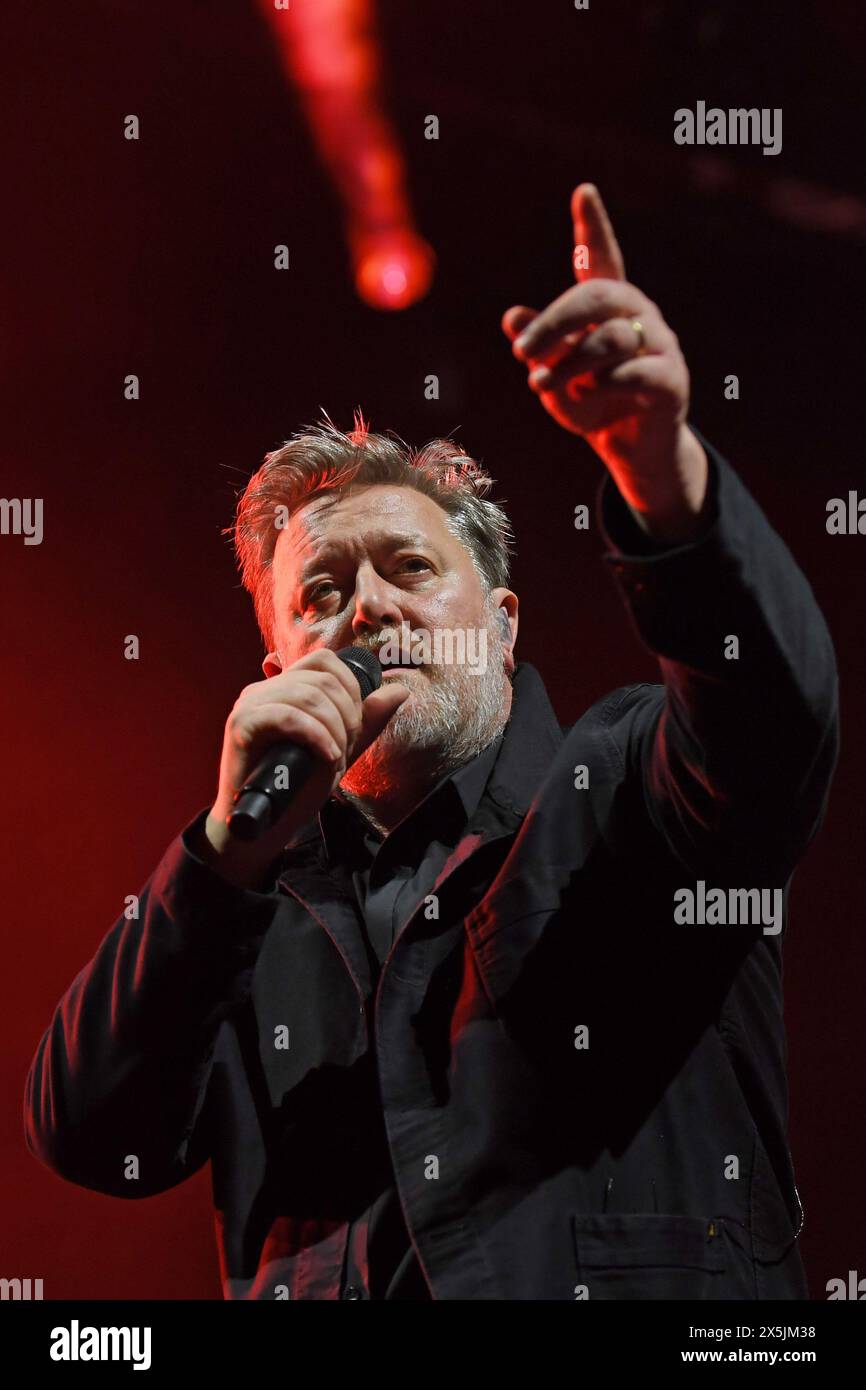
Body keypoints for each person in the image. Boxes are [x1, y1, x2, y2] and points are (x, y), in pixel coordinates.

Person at [24, 185, 838, 1299]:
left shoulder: (628, 794)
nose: (365, 608)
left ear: (502, 631)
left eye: (409, 568)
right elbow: (90, 1130)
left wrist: (663, 475)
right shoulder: (240, 906)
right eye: (320, 590)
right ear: (276, 673)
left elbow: (769, 710)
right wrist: (219, 853)